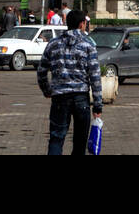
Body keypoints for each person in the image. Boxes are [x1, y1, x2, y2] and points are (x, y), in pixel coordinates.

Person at [37, 9, 103, 155]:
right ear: (82, 24)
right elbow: (95, 77)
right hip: (81, 98)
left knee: (56, 138)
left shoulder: (53, 44)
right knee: (80, 142)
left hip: (59, 97)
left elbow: (41, 71)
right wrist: (97, 105)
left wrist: (47, 90)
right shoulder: (88, 45)